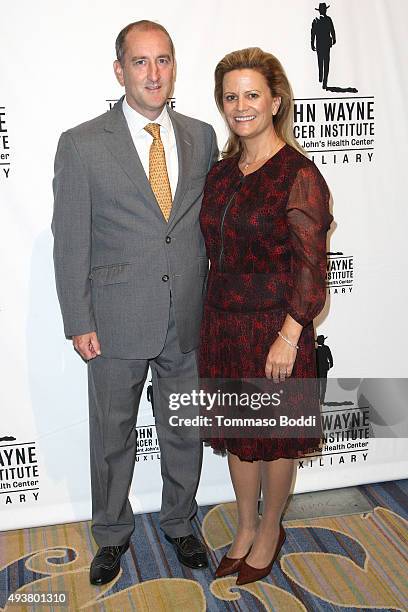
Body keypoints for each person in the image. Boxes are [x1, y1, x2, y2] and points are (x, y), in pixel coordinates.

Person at [52, 20, 218, 585]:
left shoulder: (202, 136)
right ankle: (111, 534)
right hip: (114, 320)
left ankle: (179, 522)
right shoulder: (80, 144)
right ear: (119, 70)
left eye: (163, 60)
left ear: (174, 68)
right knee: (112, 435)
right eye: (141, 62)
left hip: (187, 316)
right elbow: (71, 239)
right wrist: (79, 319)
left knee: (183, 428)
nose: (153, 73)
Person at [198, 47, 332, 585]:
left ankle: (271, 527)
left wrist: (290, 335)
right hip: (222, 324)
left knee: (275, 437)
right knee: (239, 432)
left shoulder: (298, 175)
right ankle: (245, 526)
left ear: (275, 102)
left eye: (252, 94)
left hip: (275, 328)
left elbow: (311, 267)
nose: (240, 105)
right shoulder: (222, 173)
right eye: (231, 96)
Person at [311, 2, 336, 90]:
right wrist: (334, 39)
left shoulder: (316, 20)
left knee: (320, 62)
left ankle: (321, 79)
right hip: (325, 45)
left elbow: (313, 33)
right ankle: (323, 80)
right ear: (324, 10)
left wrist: (312, 43)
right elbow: (332, 30)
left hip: (320, 44)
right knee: (326, 62)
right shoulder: (328, 19)